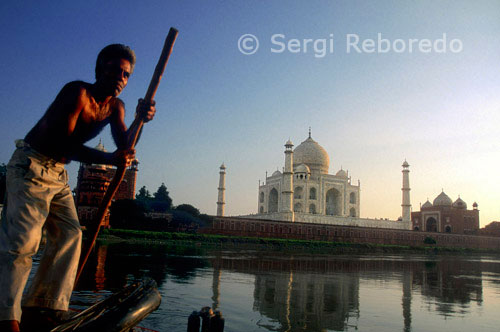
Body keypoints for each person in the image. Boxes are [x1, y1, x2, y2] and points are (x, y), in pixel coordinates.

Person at [0, 44, 156, 332]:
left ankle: (44, 306)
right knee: (23, 242)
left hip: (58, 174)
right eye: (114, 71)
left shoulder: (115, 107)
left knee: (71, 234)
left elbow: (126, 148)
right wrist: (108, 159)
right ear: (99, 70)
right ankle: (7, 316)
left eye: (126, 75)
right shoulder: (78, 93)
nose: (120, 78)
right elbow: (63, 143)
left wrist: (140, 118)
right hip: (31, 164)